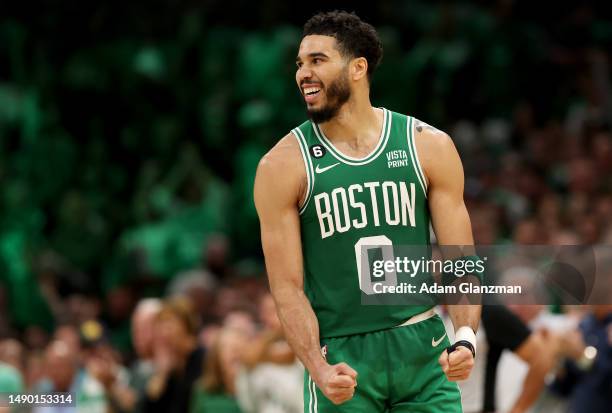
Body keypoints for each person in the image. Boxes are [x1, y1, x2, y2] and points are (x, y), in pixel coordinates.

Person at [254, 10, 481, 412]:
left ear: (358, 68)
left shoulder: (427, 145)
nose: (303, 73)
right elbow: (286, 287)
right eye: (300, 64)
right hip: (342, 356)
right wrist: (317, 368)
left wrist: (464, 334)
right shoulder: (282, 165)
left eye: (317, 61)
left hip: (422, 348)